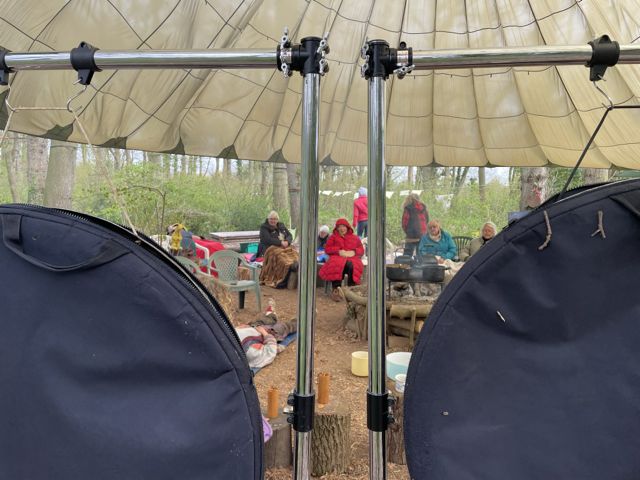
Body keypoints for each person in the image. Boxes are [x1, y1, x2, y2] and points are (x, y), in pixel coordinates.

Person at [319, 218, 365, 302]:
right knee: (336, 264)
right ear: (337, 228)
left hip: (351, 259)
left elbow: (361, 250)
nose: (342, 228)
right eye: (339, 227)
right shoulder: (333, 237)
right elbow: (327, 249)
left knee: (352, 265)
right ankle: (336, 290)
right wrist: (338, 251)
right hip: (337, 257)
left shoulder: (355, 238)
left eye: (343, 226)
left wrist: (354, 252)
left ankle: (351, 289)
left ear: (347, 227)